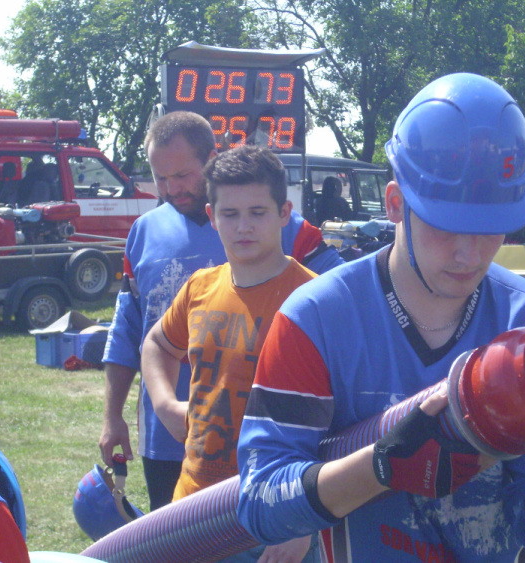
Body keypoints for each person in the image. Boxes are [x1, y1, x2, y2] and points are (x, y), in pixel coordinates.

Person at [235, 73, 525, 562]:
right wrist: (381, 467)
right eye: (445, 225)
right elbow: (259, 504)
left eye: (491, 228)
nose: (469, 254)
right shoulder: (316, 320)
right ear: (395, 204)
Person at [99, 111, 343, 512]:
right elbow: (132, 332)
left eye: (182, 175)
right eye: (161, 178)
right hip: (175, 446)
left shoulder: (295, 248)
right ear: (216, 218)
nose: (171, 188)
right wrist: (125, 413)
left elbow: (346, 304)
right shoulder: (146, 236)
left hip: (273, 469)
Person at [140, 144, 318, 562]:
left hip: (275, 518)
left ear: (284, 212)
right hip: (192, 508)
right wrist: (165, 404)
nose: (244, 227)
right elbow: (156, 344)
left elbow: (344, 421)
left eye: (258, 212)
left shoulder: (316, 299)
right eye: (230, 214)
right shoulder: (200, 287)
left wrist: (307, 518)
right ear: (212, 215)